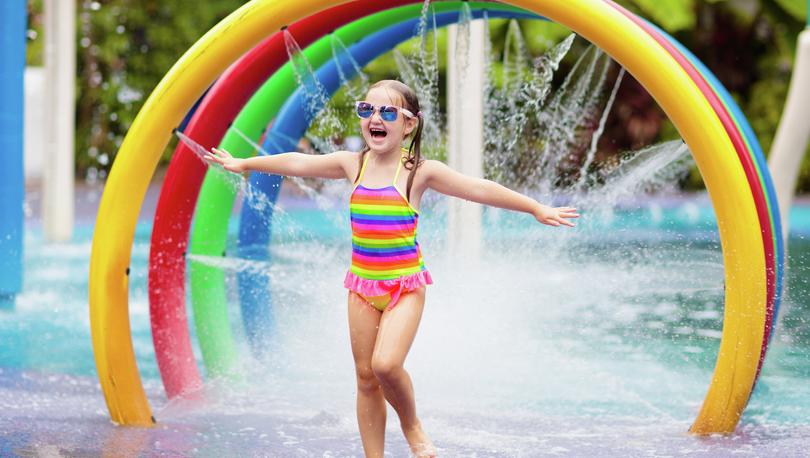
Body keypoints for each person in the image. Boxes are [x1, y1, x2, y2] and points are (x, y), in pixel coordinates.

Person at [204, 79, 579, 457]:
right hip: (362, 287)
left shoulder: (418, 172)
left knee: (385, 365)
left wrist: (534, 207)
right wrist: (246, 164)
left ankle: (412, 425)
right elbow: (298, 162)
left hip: (404, 288)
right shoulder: (352, 164)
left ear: (409, 124)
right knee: (366, 378)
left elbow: (476, 187)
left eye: (388, 112)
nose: (375, 119)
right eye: (366, 111)